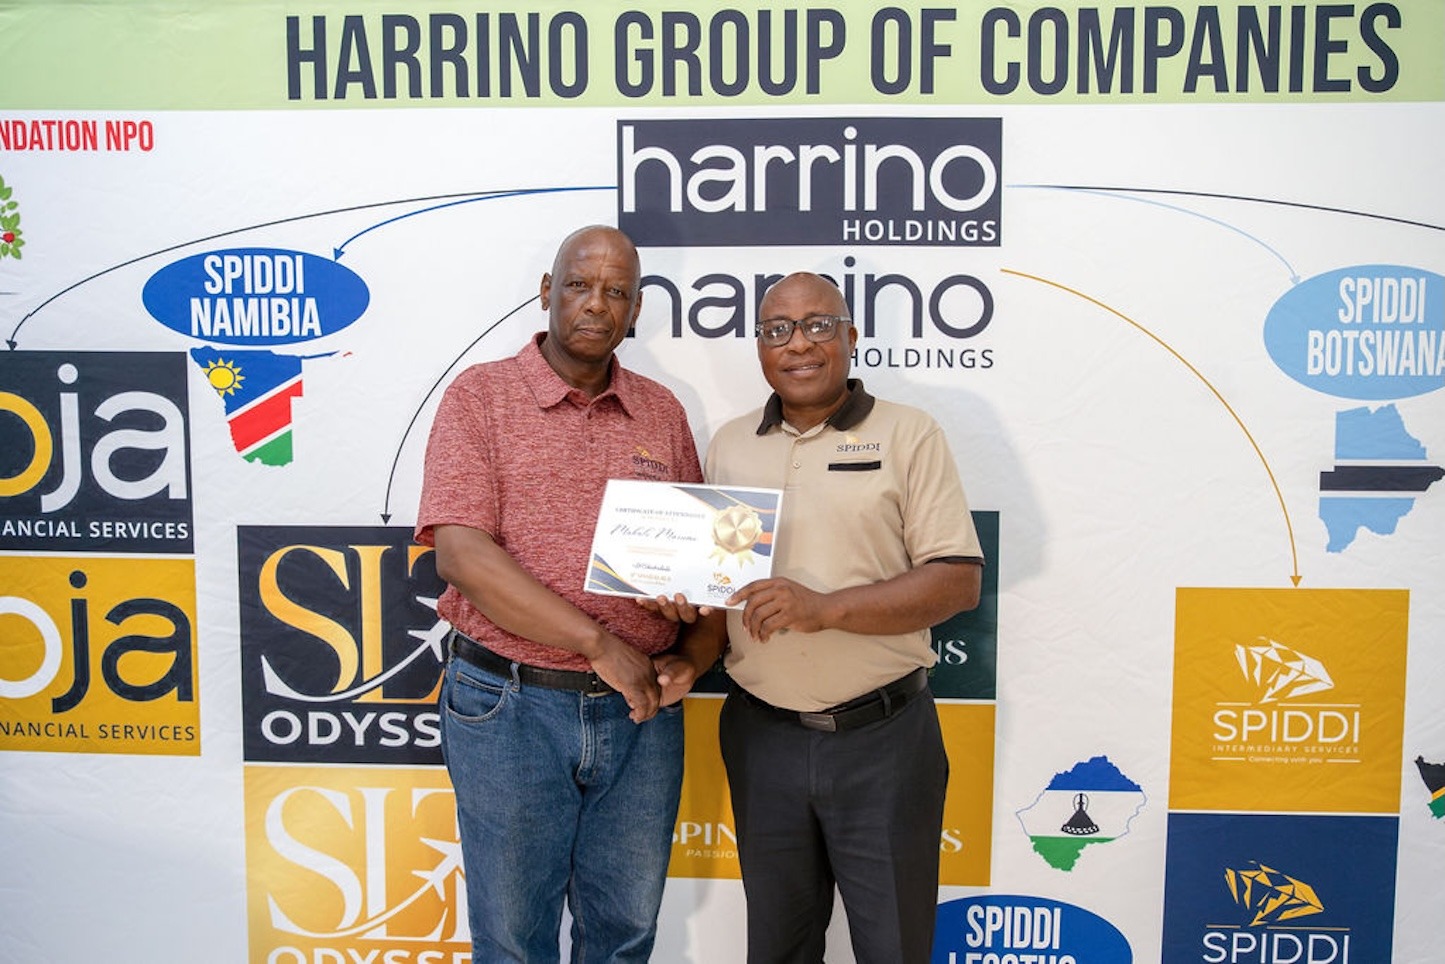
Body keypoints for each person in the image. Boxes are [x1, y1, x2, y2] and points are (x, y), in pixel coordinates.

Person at [414, 225, 713, 963]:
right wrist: (597, 643)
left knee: (625, 936)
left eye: (616, 291)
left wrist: (691, 651)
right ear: (547, 291)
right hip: (509, 707)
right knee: (514, 942)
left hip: (641, 715)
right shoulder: (480, 396)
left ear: (635, 309)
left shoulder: (662, 412)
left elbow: (704, 581)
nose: (595, 304)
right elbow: (461, 555)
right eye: (579, 285)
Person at [703, 271, 985, 963]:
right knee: (777, 948)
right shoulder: (729, 444)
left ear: (851, 337)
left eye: (817, 325)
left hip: (881, 740)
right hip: (761, 736)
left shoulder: (909, 433)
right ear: (760, 346)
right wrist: (678, 615)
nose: (798, 344)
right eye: (777, 330)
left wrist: (823, 609)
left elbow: (957, 582)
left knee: (893, 948)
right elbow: (714, 583)